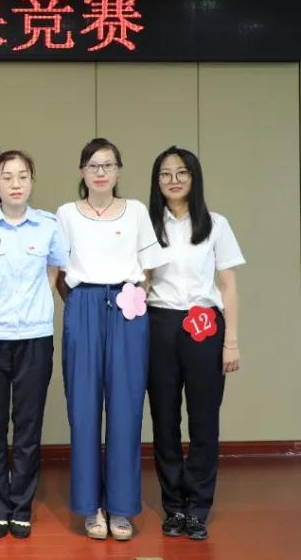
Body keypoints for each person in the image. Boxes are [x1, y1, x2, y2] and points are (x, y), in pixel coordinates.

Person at [55, 137, 166, 541]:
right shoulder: (66, 213)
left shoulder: (135, 211)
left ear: (118, 170)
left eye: (108, 165)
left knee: (126, 407)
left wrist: (133, 297)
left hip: (127, 307)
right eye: (92, 165)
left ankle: (121, 507)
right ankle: (90, 507)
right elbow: (59, 273)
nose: (100, 172)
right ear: (81, 171)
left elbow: (148, 268)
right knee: (83, 408)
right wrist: (80, 305)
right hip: (83, 303)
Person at [0, 150, 67, 539]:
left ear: (32, 181)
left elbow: (53, 271)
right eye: (6, 177)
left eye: (23, 176)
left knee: (28, 423)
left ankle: (21, 506)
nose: (15, 184)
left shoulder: (48, 225)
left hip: (34, 336)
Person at [146, 146, 244, 541]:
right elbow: (141, 279)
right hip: (159, 323)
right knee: (164, 418)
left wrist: (231, 340)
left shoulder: (216, 224)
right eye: (165, 174)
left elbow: (228, 285)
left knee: (204, 419)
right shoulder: (147, 225)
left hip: (205, 326)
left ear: (194, 177)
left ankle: (198, 507)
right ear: (157, 181)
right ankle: (173, 505)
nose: (173, 180)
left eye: (181, 172)